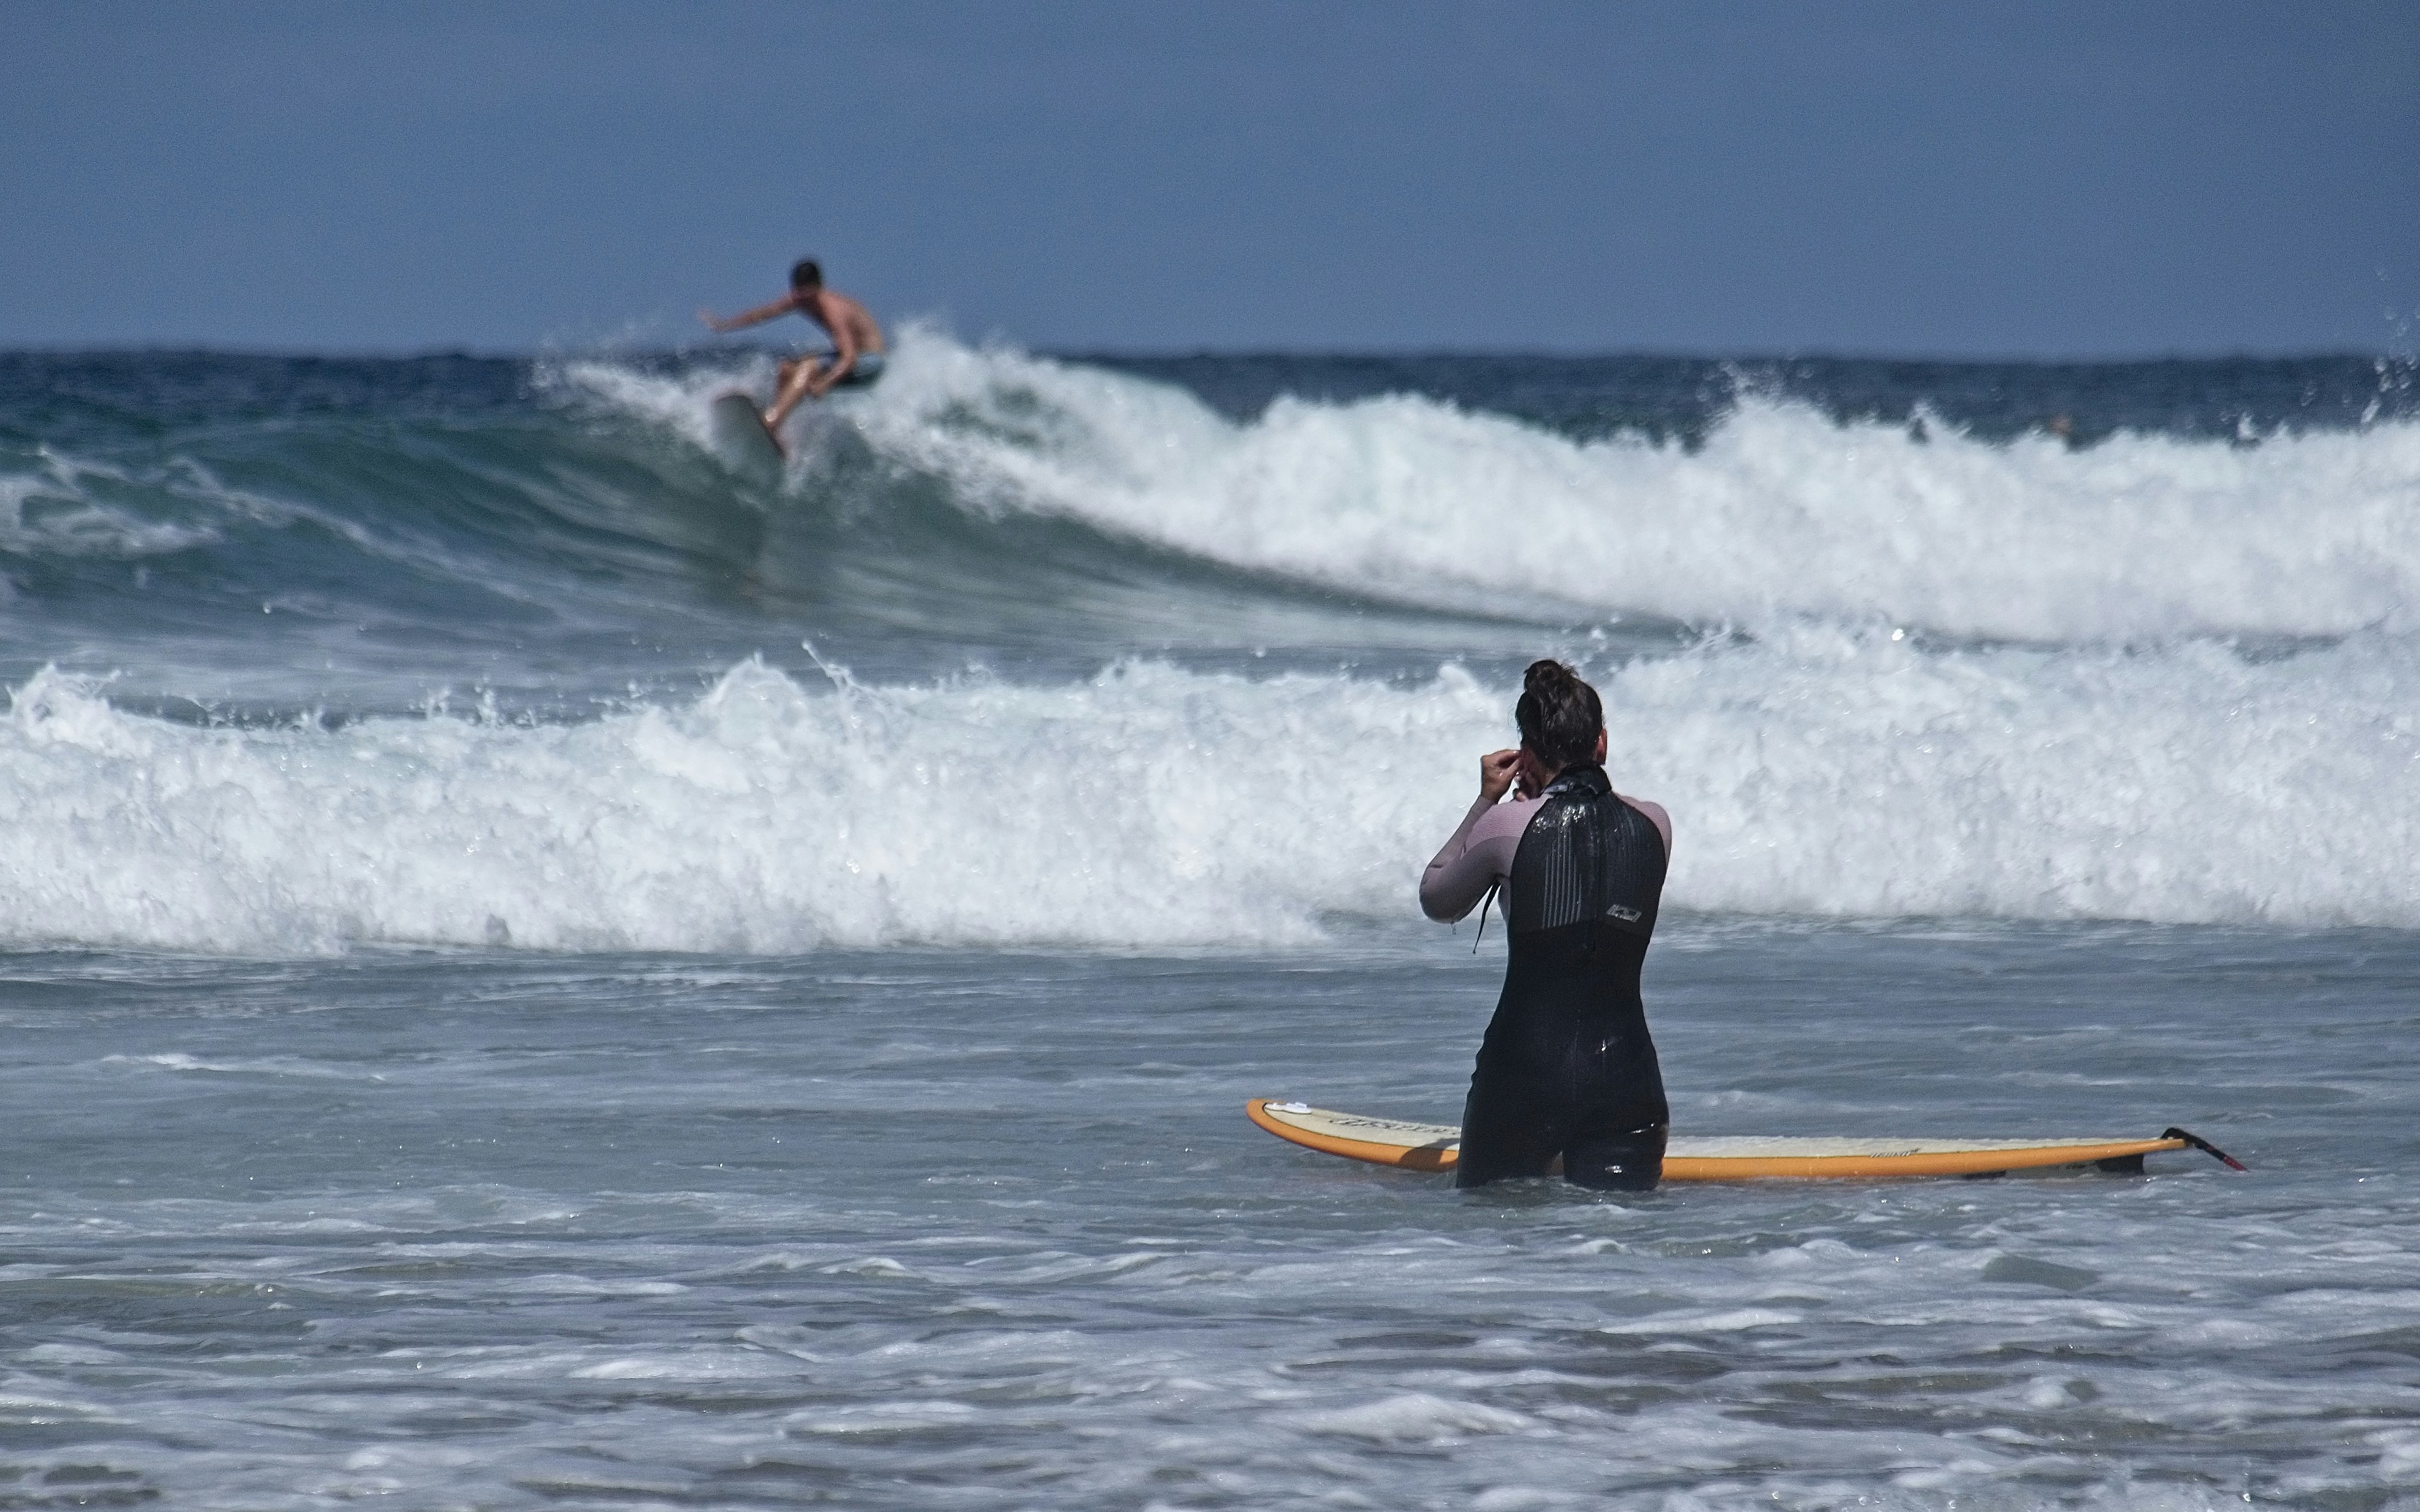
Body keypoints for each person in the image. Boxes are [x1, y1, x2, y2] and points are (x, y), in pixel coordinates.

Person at [1419, 659, 1675, 1191]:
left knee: (1499, 1246)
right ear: (1601, 743)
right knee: (1620, 1251)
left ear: (1526, 754)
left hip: (1523, 1077)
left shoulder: (1505, 826)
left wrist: (1487, 801)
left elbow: (1437, 898)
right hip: (1627, 1080)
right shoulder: (1655, 825)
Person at [698, 259, 887, 430]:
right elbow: (764, 314)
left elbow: (849, 357)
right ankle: (781, 432)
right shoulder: (799, 298)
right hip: (850, 358)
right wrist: (724, 325)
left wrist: (826, 382)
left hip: (870, 363)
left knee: (807, 367)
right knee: (787, 369)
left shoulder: (833, 310)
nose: (801, 299)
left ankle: (773, 421)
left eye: (806, 294)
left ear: (817, 288)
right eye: (797, 292)